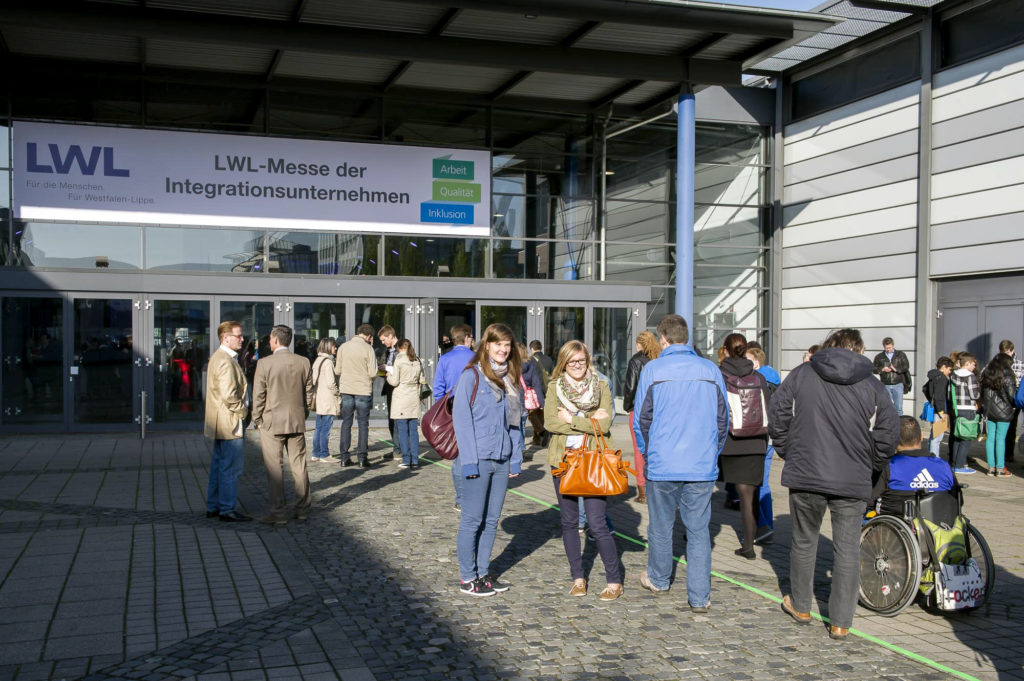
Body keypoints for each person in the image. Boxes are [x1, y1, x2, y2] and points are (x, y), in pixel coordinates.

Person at [769, 328, 898, 640]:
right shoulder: (871, 383)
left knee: (803, 541)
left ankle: (801, 606)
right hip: (851, 477)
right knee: (847, 549)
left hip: (807, 472)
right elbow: (889, 431)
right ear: (860, 349)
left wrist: (789, 450)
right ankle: (840, 621)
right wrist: (872, 463)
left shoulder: (803, 373)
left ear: (829, 347)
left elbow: (776, 414)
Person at [632, 314, 728, 612]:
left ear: (663, 339)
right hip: (700, 464)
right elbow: (723, 421)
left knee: (660, 526)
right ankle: (699, 597)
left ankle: (660, 580)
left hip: (663, 462)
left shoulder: (653, 369)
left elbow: (640, 421)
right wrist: (713, 453)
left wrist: (649, 454)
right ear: (687, 338)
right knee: (699, 532)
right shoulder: (711, 369)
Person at [544, 340, 622, 600]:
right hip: (563, 460)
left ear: (588, 361)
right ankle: (578, 577)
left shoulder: (601, 386)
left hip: (594, 459)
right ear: (564, 363)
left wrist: (573, 418)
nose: (577, 365)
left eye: (581, 360)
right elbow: (551, 423)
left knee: (597, 522)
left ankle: (614, 580)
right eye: (571, 361)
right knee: (568, 522)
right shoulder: (555, 387)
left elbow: (607, 423)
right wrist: (588, 420)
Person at [452, 323, 524, 597]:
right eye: (498, 344)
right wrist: (468, 462)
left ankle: (483, 573)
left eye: (507, 345)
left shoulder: (511, 378)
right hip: (477, 459)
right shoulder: (471, 376)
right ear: (486, 345)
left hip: (502, 458)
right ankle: (467, 578)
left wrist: (515, 458)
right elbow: (462, 422)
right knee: (472, 519)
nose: (503, 349)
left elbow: (516, 423)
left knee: (492, 520)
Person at [251, 325, 314, 525]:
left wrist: (257, 419)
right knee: (299, 465)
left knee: (275, 468)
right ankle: (302, 509)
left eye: (270, 339)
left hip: (272, 421)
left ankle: (278, 513)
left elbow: (258, 394)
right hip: (296, 419)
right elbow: (309, 393)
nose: (269, 342)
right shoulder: (303, 362)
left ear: (275, 340)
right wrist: (303, 413)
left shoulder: (264, 363)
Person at [718, 333, 770, 560]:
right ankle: (748, 547)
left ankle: (692, 536)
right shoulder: (759, 377)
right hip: (756, 441)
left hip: (730, 442)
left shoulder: (720, 375)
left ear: (726, 351)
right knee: (749, 497)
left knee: (701, 490)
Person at [203, 321, 252, 523]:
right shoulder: (225, 360)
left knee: (219, 465)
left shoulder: (220, 357)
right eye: (238, 336)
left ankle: (214, 506)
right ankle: (227, 508)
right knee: (230, 468)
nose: (242, 339)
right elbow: (229, 395)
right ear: (226, 337)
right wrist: (242, 412)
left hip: (220, 421)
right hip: (229, 421)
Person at [870, 417, 955, 517]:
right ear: (922, 436)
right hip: (937, 522)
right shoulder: (943, 466)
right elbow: (957, 499)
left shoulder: (889, 466)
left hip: (896, 522)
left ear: (894, 439)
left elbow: (870, 498)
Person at [434, 323, 476, 511]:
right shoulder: (476, 358)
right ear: (468, 338)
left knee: (458, 454)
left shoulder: (445, 359)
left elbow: (438, 390)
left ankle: (461, 497)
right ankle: (474, 492)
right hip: (475, 408)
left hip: (452, 407)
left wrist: (441, 410)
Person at [744, 344, 779, 544]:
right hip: (771, 438)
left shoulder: (757, 381)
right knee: (763, 483)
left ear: (756, 362)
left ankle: (762, 525)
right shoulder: (775, 380)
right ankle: (767, 528)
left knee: (753, 484)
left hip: (758, 437)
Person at [623, 331, 660, 504]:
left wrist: (627, 406)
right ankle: (657, 485)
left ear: (639, 344)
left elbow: (630, 386)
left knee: (639, 449)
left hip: (639, 409)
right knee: (656, 448)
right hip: (658, 410)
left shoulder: (636, 360)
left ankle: (642, 491)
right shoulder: (660, 360)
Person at [335, 324, 378, 467]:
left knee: (346, 422)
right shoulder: (368, 349)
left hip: (346, 389)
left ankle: (344, 457)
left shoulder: (343, 347)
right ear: (369, 336)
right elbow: (373, 373)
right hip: (363, 390)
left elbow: (337, 370)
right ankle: (362, 458)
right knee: (363, 424)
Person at [386, 338, 424, 469]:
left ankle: (406, 459)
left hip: (401, 397)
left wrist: (388, 375)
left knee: (402, 430)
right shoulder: (417, 360)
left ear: (399, 348)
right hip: (413, 397)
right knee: (413, 431)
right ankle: (415, 459)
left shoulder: (399, 360)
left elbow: (395, 381)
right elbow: (422, 379)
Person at [981, 353, 1016, 477]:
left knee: (990, 439)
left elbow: (983, 394)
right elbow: (1012, 396)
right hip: (1004, 412)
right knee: (1001, 439)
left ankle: (991, 468)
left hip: (989, 411)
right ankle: (1000, 468)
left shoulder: (987, 374)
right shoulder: (1008, 376)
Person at [948, 352, 980, 475]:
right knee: (966, 438)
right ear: (967, 364)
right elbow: (974, 394)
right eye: (973, 364)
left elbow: (949, 394)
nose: (974, 367)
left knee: (957, 437)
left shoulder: (953, 375)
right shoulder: (970, 376)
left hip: (956, 409)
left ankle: (955, 463)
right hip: (968, 408)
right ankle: (960, 465)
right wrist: (979, 395)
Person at [311, 338, 339, 463]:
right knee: (326, 428)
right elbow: (331, 383)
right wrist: (338, 394)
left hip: (319, 398)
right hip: (327, 398)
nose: (336, 348)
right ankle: (324, 454)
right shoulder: (327, 362)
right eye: (334, 346)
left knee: (318, 427)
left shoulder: (317, 360)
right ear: (328, 347)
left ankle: (315, 453)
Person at [377, 325, 400, 461]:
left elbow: (404, 368)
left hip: (399, 388)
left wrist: (388, 368)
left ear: (391, 336)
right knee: (391, 419)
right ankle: (396, 448)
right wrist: (381, 369)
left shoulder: (402, 348)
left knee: (398, 420)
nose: (383, 342)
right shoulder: (387, 351)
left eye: (384, 339)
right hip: (389, 387)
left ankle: (400, 449)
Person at [923, 357, 954, 458]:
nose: (950, 372)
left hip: (936, 409)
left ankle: (930, 455)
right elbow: (939, 396)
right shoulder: (941, 378)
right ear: (944, 367)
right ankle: (934, 458)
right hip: (941, 411)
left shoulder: (934, 376)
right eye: (950, 369)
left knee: (933, 436)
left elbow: (925, 389)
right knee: (937, 438)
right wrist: (942, 412)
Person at [873, 337, 911, 415]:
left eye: (889, 347)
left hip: (898, 383)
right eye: (886, 348)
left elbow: (906, 366)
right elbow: (874, 369)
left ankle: (899, 425)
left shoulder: (900, 355)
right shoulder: (879, 357)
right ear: (883, 347)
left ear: (893, 345)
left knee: (898, 408)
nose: (888, 349)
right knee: (886, 407)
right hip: (885, 384)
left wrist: (896, 369)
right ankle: (889, 425)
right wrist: (882, 369)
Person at [519, 344, 547, 450]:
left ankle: (519, 449)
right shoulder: (530, 364)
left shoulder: (511, 365)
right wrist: (541, 402)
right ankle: (521, 448)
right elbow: (536, 384)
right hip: (526, 400)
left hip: (514, 400)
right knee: (522, 425)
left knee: (515, 427)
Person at [999, 340, 1023, 462]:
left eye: (1008, 352)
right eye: (1003, 352)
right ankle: (999, 454)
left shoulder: (1020, 364)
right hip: (999, 400)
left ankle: (1009, 453)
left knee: (1012, 427)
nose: (1006, 355)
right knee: (999, 429)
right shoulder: (995, 364)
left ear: (1012, 351)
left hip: (1014, 401)